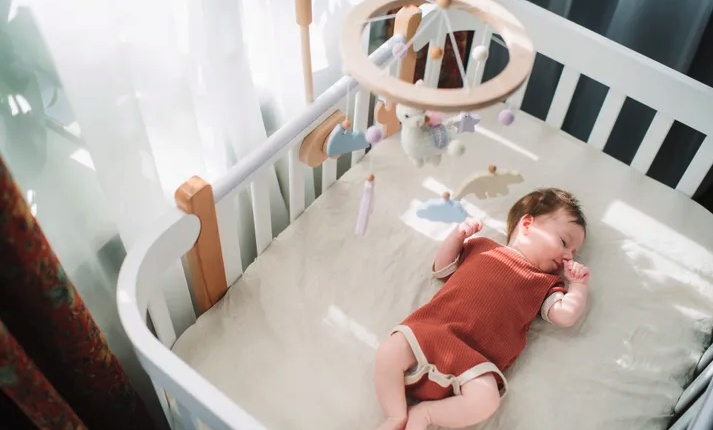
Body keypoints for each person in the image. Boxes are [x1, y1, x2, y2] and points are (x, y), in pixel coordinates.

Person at [372, 188, 591, 430]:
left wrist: (578, 286)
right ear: (528, 224)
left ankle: (426, 414)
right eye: (564, 243)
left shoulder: (547, 283)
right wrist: (457, 237)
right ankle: (395, 415)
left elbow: (565, 316)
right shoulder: (482, 247)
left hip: (474, 359)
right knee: (390, 349)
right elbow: (442, 268)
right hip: (433, 331)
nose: (568, 257)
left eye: (574, 253)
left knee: (488, 399)